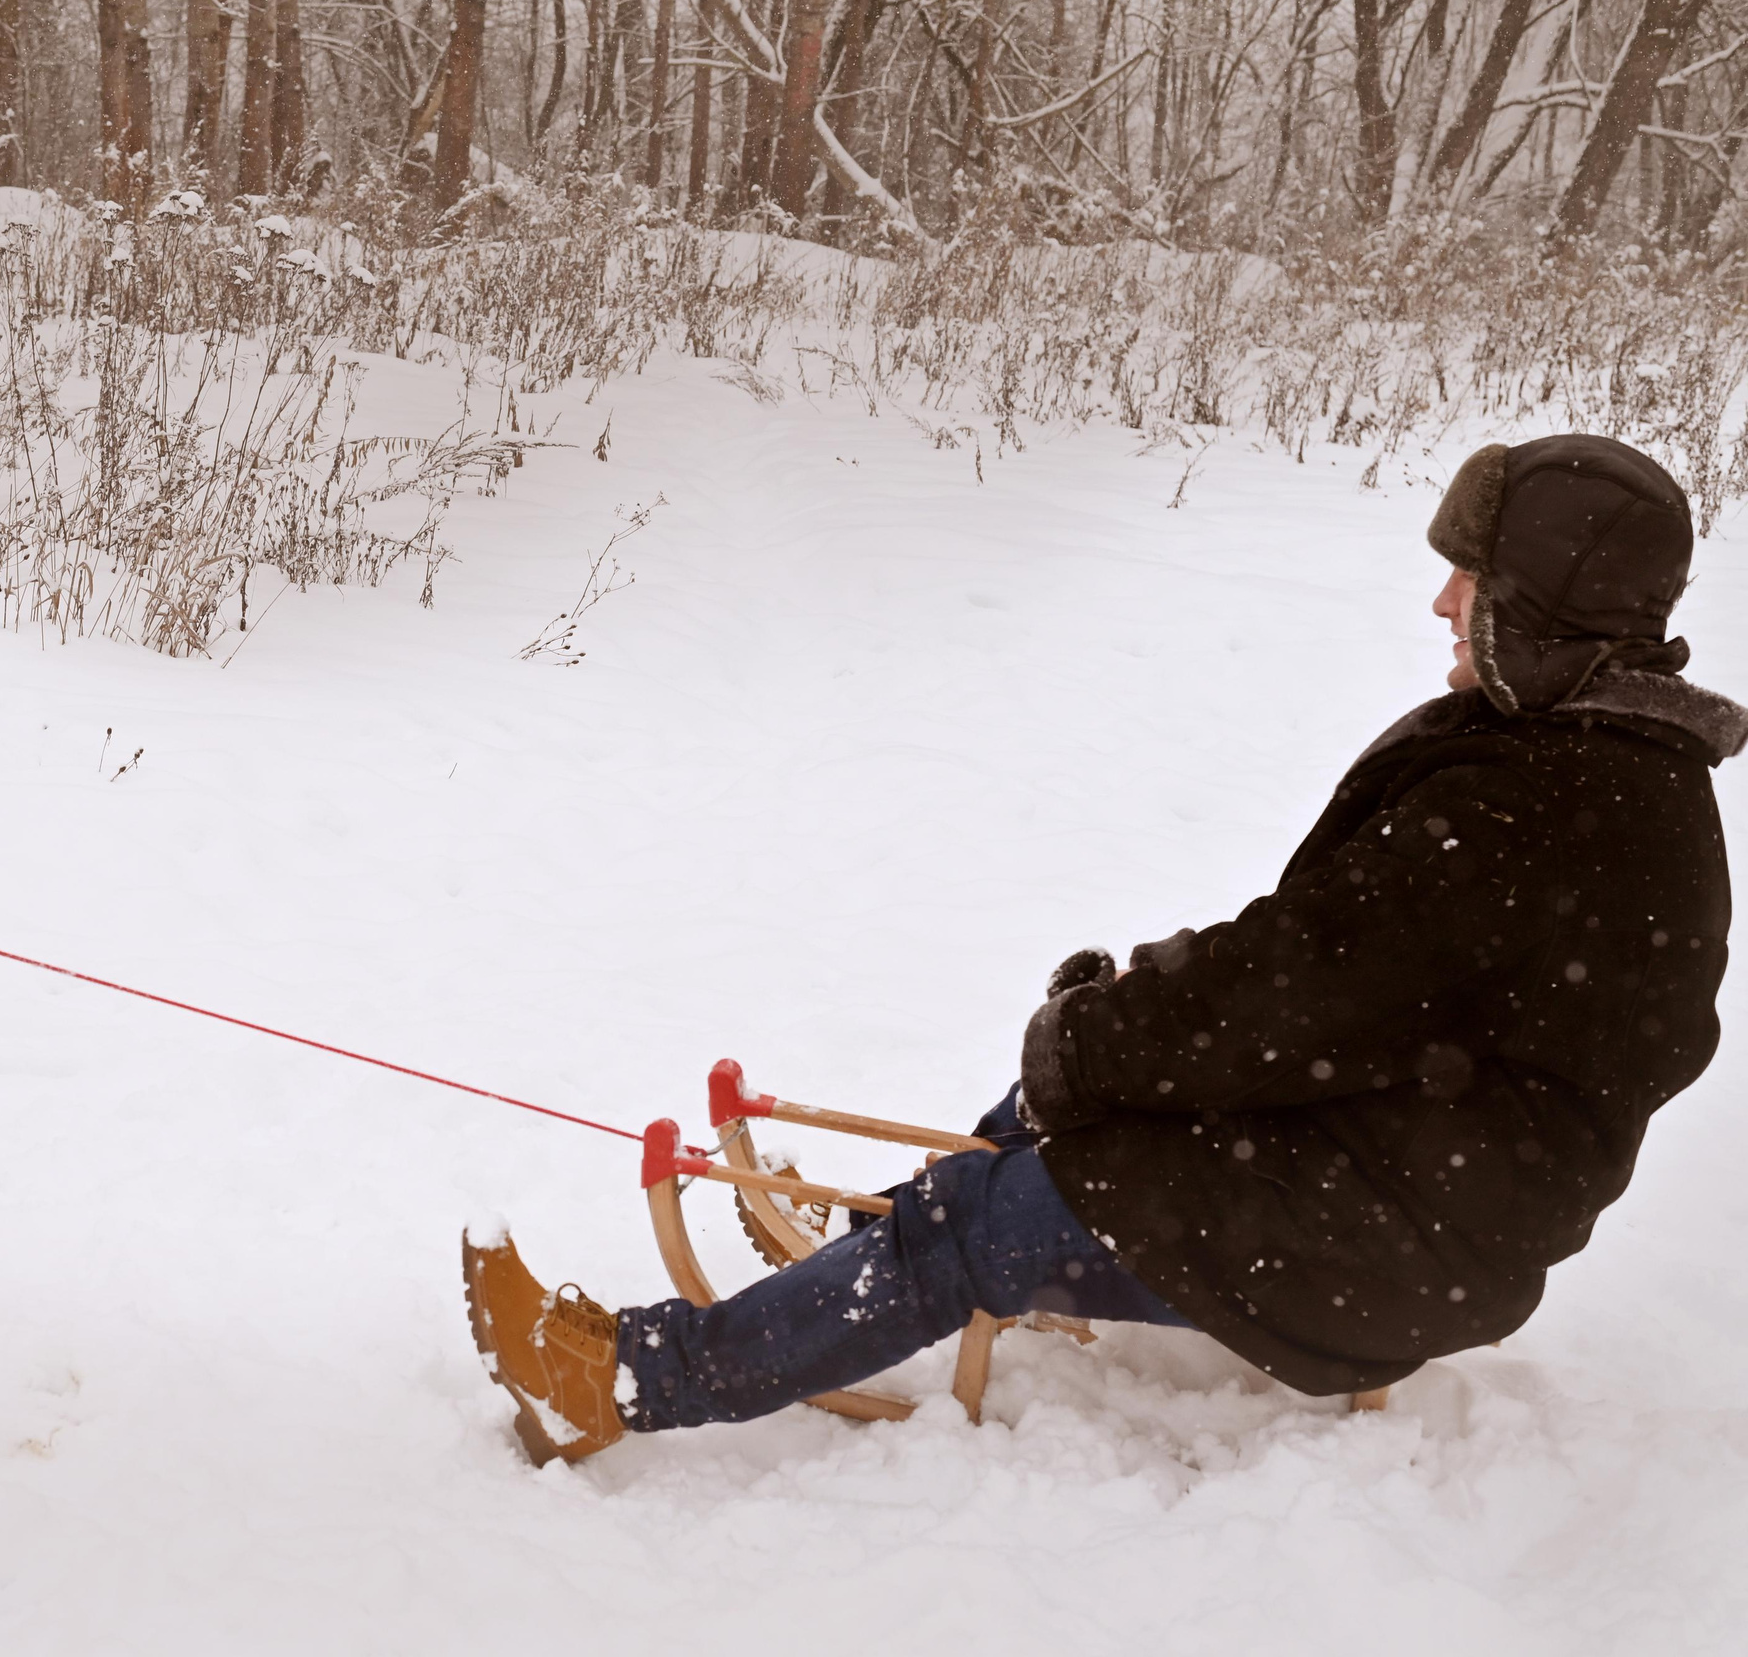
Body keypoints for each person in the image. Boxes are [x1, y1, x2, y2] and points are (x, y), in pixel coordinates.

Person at [464, 433, 1744, 1464]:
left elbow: (1304, 993)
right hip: (1385, 1171)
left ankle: (632, 1378)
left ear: (1548, 607)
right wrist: (1131, 1015)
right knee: (1048, 1102)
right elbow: (1337, 974)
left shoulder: (1550, 806)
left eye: (1476, 579)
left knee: (997, 1212)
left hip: (1393, 1238)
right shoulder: (1597, 770)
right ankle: (890, 1241)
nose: (1442, 599)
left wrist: (1115, 1032)